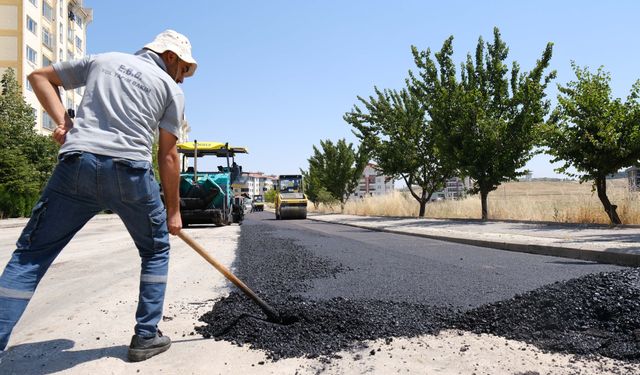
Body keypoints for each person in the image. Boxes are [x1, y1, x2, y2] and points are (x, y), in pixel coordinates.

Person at [0, 29, 197, 362]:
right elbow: (167, 155)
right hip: (130, 174)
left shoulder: (102, 60)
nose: (181, 80)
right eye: (183, 71)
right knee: (155, 248)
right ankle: (146, 336)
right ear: (170, 57)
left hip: (77, 167)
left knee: (30, 256)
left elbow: (38, 76)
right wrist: (173, 212)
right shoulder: (169, 90)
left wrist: (63, 122)